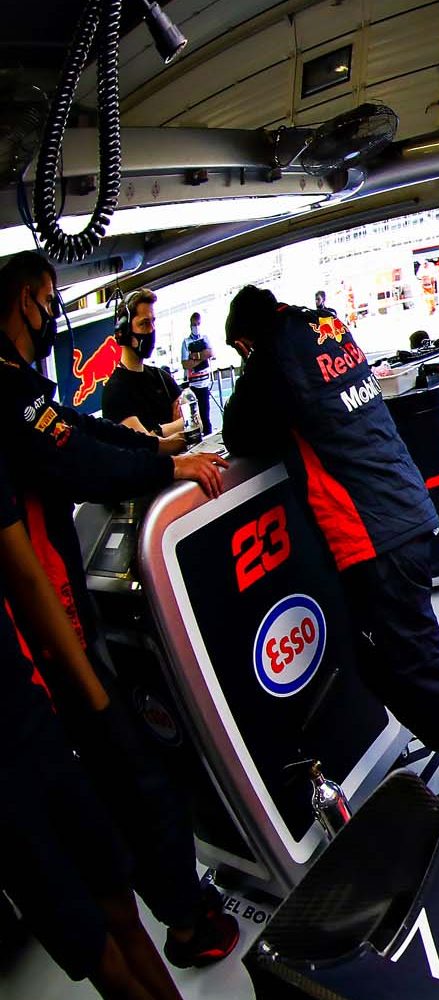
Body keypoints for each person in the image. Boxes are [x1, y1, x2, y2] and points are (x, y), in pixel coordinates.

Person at [0, 251, 236, 970]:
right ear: (24, 299)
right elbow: (77, 461)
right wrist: (168, 466)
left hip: (59, 638)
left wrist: (152, 444)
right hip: (53, 647)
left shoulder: (21, 389)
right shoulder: (2, 395)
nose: (52, 315)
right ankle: (188, 920)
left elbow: (76, 430)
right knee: (137, 779)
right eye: (47, 300)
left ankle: (170, 909)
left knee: (127, 781)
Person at [222, 285, 439, 814]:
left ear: (244, 340)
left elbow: (240, 432)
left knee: (418, 662)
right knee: (384, 664)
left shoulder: (271, 354)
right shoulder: (325, 327)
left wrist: (252, 364)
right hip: (399, 508)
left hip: (371, 530)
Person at [100, 289, 186, 438]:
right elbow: (147, 444)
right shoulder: (115, 391)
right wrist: (176, 428)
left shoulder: (162, 378)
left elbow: (196, 423)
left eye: (153, 322)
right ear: (124, 331)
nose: (152, 329)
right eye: (144, 323)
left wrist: (158, 432)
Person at [180, 312, 213, 434]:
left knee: (206, 417)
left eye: (198, 324)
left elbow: (210, 353)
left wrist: (195, 357)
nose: (196, 326)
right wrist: (202, 358)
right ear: (190, 325)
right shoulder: (186, 342)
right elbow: (185, 364)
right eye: (194, 324)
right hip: (193, 386)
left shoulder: (205, 338)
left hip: (205, 383)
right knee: (195, 418)